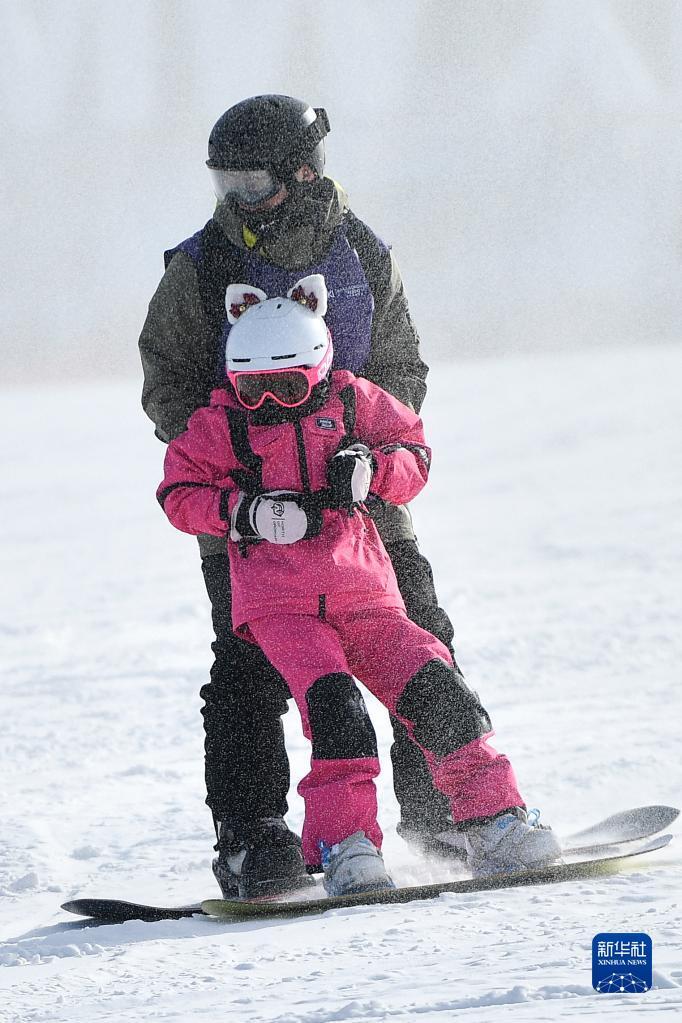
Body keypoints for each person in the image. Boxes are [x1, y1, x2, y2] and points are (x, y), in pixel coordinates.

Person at [140, 94, 475, 898]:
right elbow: (168, 387)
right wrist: (248, 471)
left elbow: (404, 369)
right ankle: (253, 835)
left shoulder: (362, 253)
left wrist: (360, 450)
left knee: (420, 640)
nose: (237, 196)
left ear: (300, 172)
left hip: (366, 506)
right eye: (226, 180)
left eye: (252, 180)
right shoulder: (199, 269)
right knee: (249, 669)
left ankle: (443, 810)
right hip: (246, 523)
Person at [157, 274, 561, 896]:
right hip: (279, 605)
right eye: (255, 391)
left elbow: (415, 454)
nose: (271, 403)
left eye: (289, 386)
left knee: (436, 685)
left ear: (318, 367)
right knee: (336, 709)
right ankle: (346, 846)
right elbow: (179, 492)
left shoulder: (351, 402)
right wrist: (245, 512)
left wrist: (373, 470)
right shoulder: (221, 424)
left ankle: (494, 821)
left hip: (364, 590)